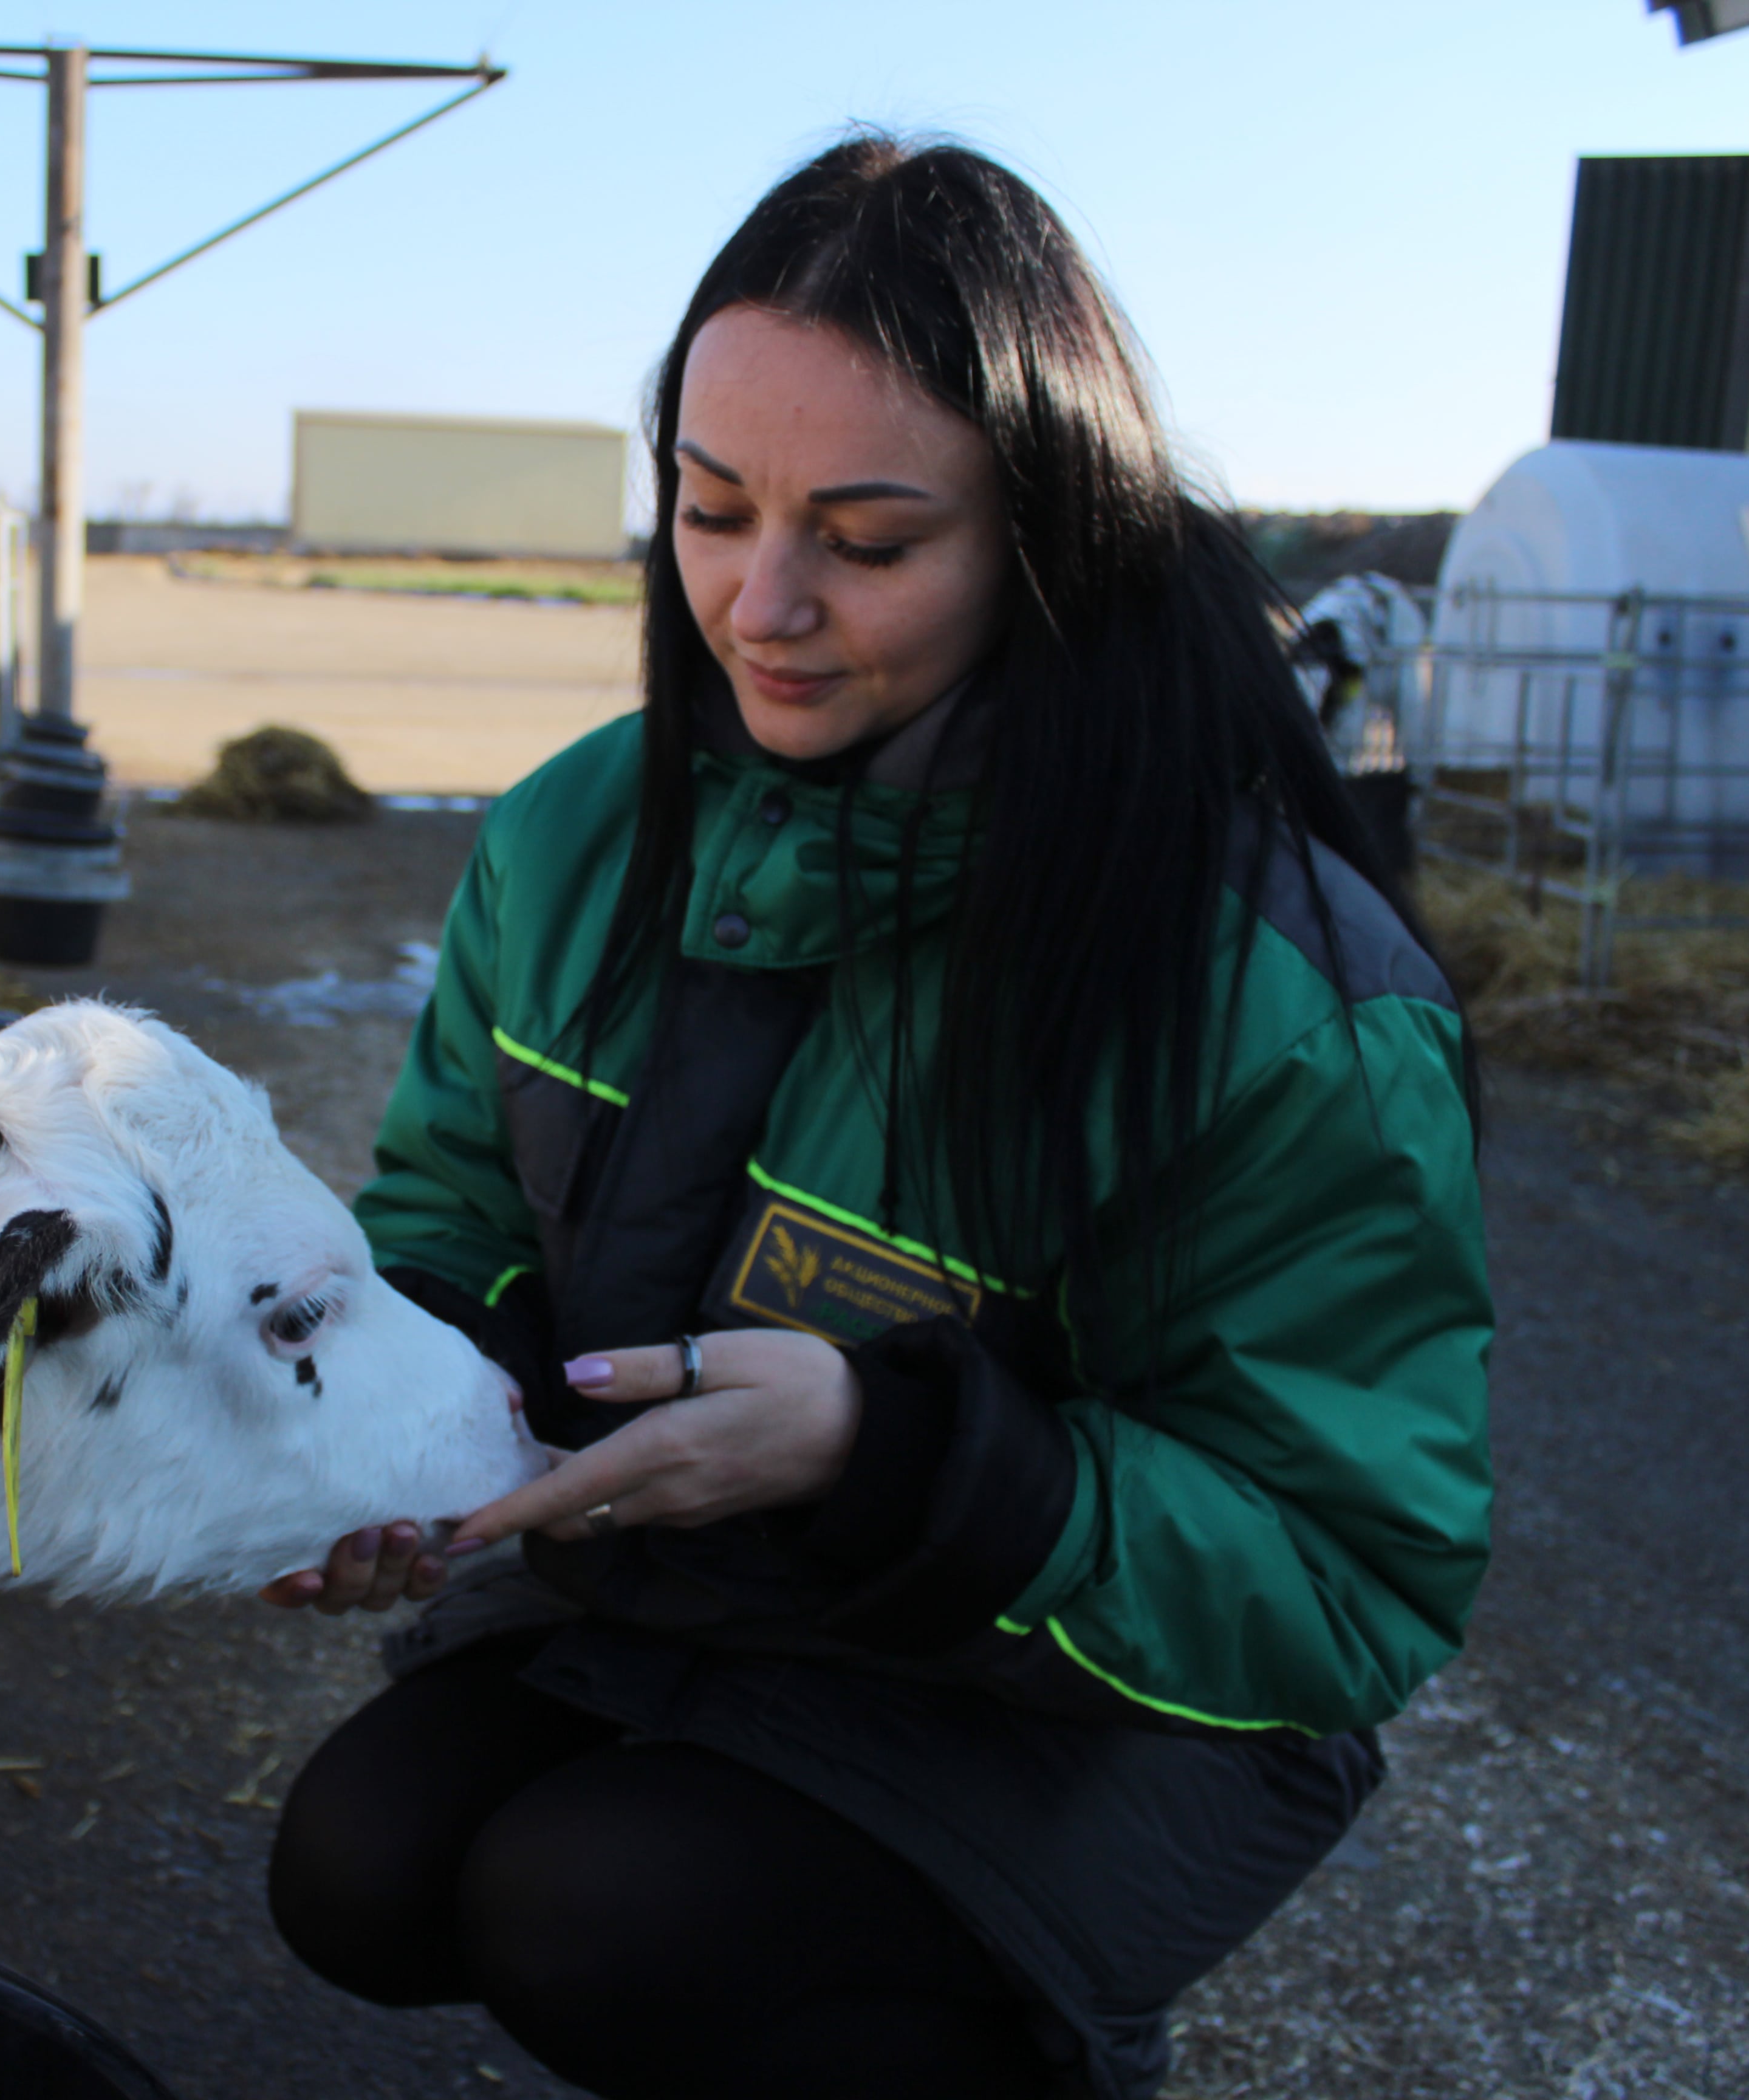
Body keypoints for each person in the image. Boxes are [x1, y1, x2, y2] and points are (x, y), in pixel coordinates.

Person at [253, 134, 1491, 2100]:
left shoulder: (1275, 998)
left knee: (609, 1913)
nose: (764, 601)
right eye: (711, 508)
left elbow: (1354, 1571)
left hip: (1107, 1676)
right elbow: (451, 1209)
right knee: (359, 1868)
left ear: (1046, 537)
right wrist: (409, 1431)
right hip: (730, 1603)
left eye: (870, 538)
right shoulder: (579, 832)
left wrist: (888, 1452)